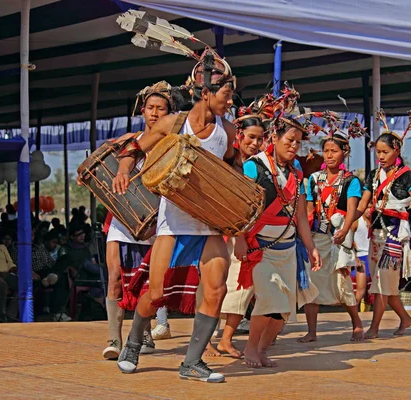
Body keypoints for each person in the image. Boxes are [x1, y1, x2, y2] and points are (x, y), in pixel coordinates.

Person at [112, 48, 237, 383]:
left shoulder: (228, 130)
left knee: (216, 290)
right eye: (226, 94)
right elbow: (134, 147)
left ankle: (192, 363)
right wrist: (124, 170)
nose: (230, 101)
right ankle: (133, 343)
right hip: (174, 221)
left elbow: (231, 167)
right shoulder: (173, 123)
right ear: (206, 93)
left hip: (210, 223)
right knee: (155, 294)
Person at [336, 110, 411, 339]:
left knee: (381, 283)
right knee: (385, 284)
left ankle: (374, 327)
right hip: (376, 233)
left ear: (396, 151)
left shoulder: (407, 176)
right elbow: (362, 205)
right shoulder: (373, 175)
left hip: (395, 235)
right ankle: (406, 318)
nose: (380, 156)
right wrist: (347, 224)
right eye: (378, 152)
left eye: (385, 152)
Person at [234, 114, 322, 367]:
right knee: (270, 298)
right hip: (260, 248)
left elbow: (301, 216)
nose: (294, 146)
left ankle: (262, 349)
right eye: (290, 140)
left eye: (298, 142)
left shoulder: (296, 170)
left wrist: (311, 247)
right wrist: (239, 238)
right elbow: (239, 207)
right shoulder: (254, 166)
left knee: (283, 309)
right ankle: (250, 347)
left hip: (288, 249)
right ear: (274, 137)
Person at [102, 80, 181, 360]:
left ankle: (143, 330)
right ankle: (114, 338)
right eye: (150, 107)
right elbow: (99, 165)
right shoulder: (128, 142)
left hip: (155, 225)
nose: (155, 113)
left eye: (161, 108)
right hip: (121, 221)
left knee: (147, 283)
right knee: (114, 277)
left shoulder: (173, 146)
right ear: (143, 110)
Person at [299, 128, 364, 342]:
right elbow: (309, 209)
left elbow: (353, 209)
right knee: (312, 283)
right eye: (326, 150)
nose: (329, 155)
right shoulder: (314, 179)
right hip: (318, 237)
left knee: (342, 283)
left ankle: (356, 323)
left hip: (339, 238)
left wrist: (345, 231)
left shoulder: (350, 181)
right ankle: (311, 331)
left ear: (344, 152)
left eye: (334, 151)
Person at [213, 106, 267, 358]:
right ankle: (212, 340)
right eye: (251, 137)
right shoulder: (226, 164)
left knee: (242, 287)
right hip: (225, 233)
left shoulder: (263, 166)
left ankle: (226, 338)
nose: (255, 143)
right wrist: (238, 236)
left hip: (249, 234)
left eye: (260, 138)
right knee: (219, 287)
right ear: (239, 137)